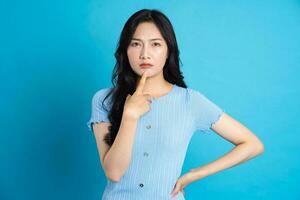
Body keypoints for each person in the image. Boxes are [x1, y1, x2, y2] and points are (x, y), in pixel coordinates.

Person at [87, 9, 265, 200]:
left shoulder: (190, 101)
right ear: (125, 50)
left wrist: (195, 174)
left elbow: (252, 144)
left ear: (168, 50)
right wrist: (130, 115)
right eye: (135, 44)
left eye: (155, 44)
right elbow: (113, 172)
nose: (145, 54)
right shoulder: (104, 100)